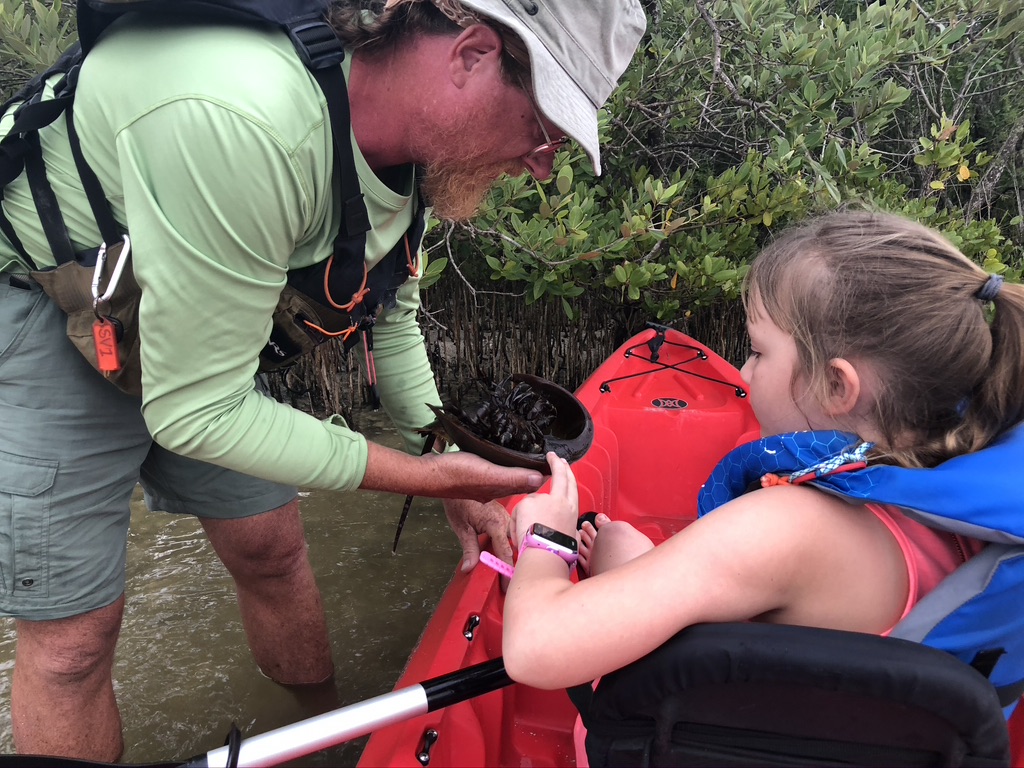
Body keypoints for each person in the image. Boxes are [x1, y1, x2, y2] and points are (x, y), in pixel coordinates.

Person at [0, 0, 647, 760]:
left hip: (190, 320)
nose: (545, 162)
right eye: (546, 129)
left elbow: (392, 313)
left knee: (273, 547)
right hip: (45, 296)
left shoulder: (409, 152)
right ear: (470, 55)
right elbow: (198, 413)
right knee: (75, 640)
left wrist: (448, 462)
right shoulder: (248, 117)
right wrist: (427, 476)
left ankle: (321, 740)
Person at [502, 210, 1024, 697]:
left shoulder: (788, 529)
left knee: (617, 548)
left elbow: (537, 649)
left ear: (839, 386)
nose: (745, 374)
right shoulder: (960, 496)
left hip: (707, 742)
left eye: (757, 351)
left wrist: (548, 540)